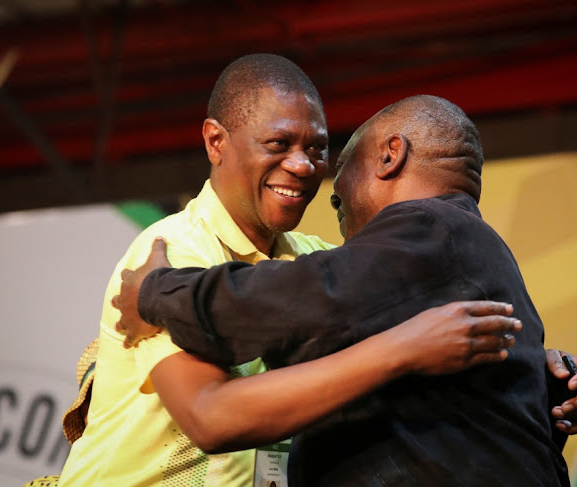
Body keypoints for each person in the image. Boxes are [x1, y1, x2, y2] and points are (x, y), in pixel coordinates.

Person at [56, 55, 536, 487]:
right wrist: (404, 350)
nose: (305, 166)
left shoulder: (318, 257)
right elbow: (211, 419)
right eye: (279, 143)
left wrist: (544, 370)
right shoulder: (172, 252)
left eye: (319, 149)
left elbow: (435, 321)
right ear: (215, 141)